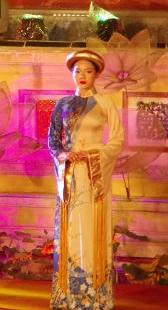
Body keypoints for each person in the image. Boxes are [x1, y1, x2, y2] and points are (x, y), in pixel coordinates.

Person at [48, 50, 124, 310]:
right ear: (71, 74)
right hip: (70, 175)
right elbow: (53, 141)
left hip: (94, 175)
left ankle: (94, 293)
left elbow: (117, 141)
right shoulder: (62, 104)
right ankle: (68, 294)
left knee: (92, 228)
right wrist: (64, 154)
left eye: (88, 71)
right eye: (77, 71)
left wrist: (92, 154)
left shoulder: (105, 104)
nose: (82, 75)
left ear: (97, 74)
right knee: (71, 228)